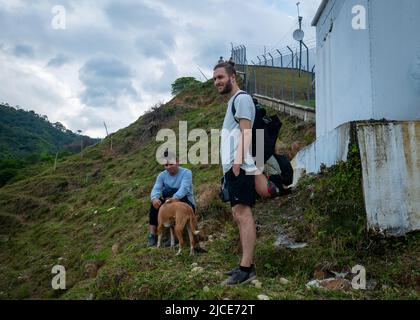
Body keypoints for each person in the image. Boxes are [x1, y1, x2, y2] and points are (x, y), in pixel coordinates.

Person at [213, 61, 279, 285]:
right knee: (239, 214)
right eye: (214, 79)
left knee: (242, 214)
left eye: (220, 77)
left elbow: (246, 133)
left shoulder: (241, 99)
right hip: (236, 165)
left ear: (232, 77)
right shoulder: (235, 101)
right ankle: (244, 264)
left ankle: (246, 268)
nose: (217, 82)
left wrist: (237, 163)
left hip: (237, 164)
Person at [148, 150, 196, 247]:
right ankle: (152, 235)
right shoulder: (162, 175)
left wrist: (173, 199)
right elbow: (156, 188)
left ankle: (175, 238)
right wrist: (154, 198)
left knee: (179, 205)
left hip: (184, 202)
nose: (168, 167)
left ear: (177, 162)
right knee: (154, 207)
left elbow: (184, 188)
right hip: (169, 203)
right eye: (166, 165)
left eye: (171, 164)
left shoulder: (187, 173)